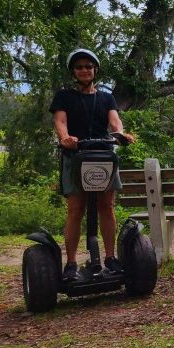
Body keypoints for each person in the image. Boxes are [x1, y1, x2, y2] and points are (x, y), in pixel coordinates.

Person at [50, 49, 135, 282]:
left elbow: (115, 121)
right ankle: (71, 263)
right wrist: (65, 138)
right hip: (75, 157)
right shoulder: (64, 96)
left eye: (88, 66)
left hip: (102, 157)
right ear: (73, 72)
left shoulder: (106, 97)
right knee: (75, 209)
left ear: (95, 70)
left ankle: (109, 257)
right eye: (79, 67)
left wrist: (120, 134)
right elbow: (60, 121)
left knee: (106, 206)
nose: (84, 70)